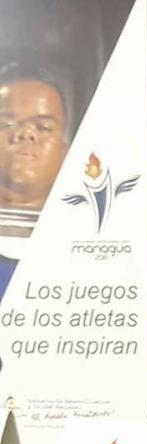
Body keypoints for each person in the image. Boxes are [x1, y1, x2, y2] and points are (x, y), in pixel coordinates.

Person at [0, 64, 70, 295]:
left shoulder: (95, 246)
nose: (26, 133)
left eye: (44, 127)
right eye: (6, 124)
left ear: (65, 149)